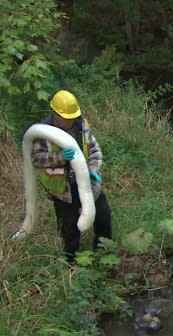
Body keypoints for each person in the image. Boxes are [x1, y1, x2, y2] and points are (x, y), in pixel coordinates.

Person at [30, 89, 112, 263]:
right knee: (69, 229)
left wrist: (93, 170)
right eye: (67, 118)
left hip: (87, 182)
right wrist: (59, 158)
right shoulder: (43, 132)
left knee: (103, 216)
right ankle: (72, 264)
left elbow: (95, 150)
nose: (70, 121)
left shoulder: (81, 125)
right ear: (56, 115)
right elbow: (36, 159)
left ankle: (104, 256)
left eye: (73, 117)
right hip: (62, 189)